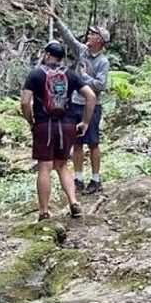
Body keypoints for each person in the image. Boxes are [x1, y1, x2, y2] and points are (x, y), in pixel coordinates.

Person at [21, 41, 97, 221]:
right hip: (67, 125)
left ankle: (44, 212)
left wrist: (31, 121)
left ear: (47, 55)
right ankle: (73, 202)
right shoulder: (70, 74)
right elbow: (91, 96)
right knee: (62, 165)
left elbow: (25, 102)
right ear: (61, 58)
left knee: (45, 167)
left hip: (44, 125)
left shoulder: (35, 74)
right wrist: (85, 122)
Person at [47, 7, 110, 194]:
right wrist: (56, 19)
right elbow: (68, 38)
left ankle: (96, 179)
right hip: (74, 103)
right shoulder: (81, 51)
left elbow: (101, 85)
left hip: (92, 106)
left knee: (93, 142)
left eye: (92, 34)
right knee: (76, 142)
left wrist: (84, 78)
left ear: (99, 40)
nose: (88, 36)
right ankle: (78, 178)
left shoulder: (103, 62)